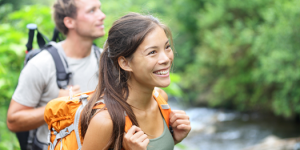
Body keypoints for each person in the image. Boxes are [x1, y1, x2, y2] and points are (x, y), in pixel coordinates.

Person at [80, 13, 191, 150]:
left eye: (167, 47)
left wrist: (173, 138)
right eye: (152, 52)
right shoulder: (105, 122)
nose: (166, 59)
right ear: (125, 63)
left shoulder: (161, 99)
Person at [6, 0, 106, 149]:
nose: (102, 16)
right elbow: (13, 121)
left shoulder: (104, 59)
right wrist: (60, 105)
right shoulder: (42, 64)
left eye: (99, 9)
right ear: (69, 22)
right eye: (92, 11)